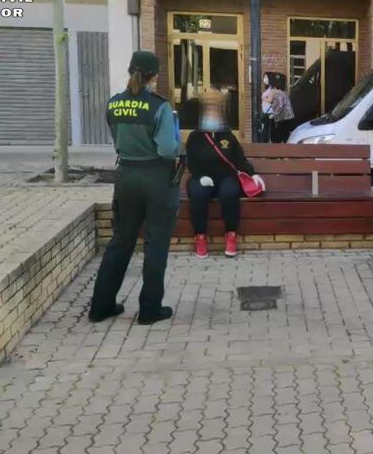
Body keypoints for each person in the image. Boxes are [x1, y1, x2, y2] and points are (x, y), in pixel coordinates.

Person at [89, 51, 181, 325]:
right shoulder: (159, 106)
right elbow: (167, 149)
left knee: (120, 242)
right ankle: (150, 309)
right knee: (155, 245)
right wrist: (179, 146)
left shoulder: (114, 103)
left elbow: (116, 137)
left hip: (126, 176)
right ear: (155, 75)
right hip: (156, 179)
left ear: (131, 71)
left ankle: (100, 306)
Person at [185, 91, 266, 258]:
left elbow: (239, 160)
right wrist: (201, 175)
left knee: (229, 193)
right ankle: (200, 236)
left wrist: (253, 174)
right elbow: (191, 161)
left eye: (215, 111)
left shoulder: (228, 136)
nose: (212, 114)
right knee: (198, 194)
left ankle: (231, 234)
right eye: (209, 111)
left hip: (225, 176)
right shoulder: (195, 137)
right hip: (203, 177)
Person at [265, 72, 295, 142]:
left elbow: (280, 105)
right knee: (285, 136)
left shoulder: (277, 93)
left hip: (282, 118)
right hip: (287, 118)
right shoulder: (283, 92)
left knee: (278, 137)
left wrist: (273, 115)